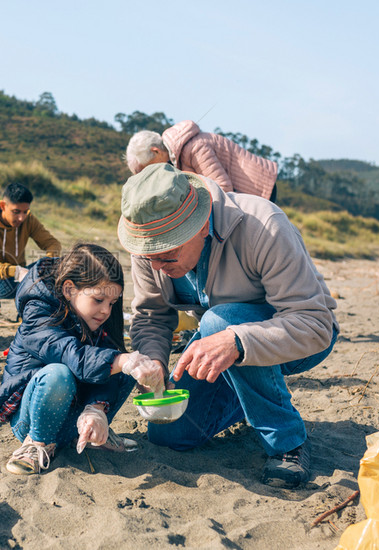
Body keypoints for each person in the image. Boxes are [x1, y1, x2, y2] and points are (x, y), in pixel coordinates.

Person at [118, 163, 338, 488]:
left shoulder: (263, 224)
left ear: (202, 226)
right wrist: (154, 360)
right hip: (220, 342)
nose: (157, 267)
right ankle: (247, 393)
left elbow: (315, 325)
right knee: (170, 434)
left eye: (167, 256)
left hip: (297, 340)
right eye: (147, 257)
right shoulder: (149, 247)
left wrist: (237, 341)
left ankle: (287, 443)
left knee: (221, 320)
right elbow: (152, 313)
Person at [0, 243, 165, 475]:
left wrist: (97, 409)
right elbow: (73, 355)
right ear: (70, 289)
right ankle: (36, 445)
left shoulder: (96, 318)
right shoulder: (38, 312)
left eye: (112, 303)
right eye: (98, 300)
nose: (106, 311)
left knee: (126, 362)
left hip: (74, 421)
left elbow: (107, 357)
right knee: (59, 373)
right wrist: (120, 361)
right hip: (33, 419)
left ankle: (93, 434)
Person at [0, 182, 61, 322]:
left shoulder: (28, 219)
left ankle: (25, 311)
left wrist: (49, 261)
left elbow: (52, 243)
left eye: (25, 212)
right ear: (3, 206)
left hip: (19, 276)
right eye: (16, 212)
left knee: (50, 269)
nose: (21, 217)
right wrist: (18, 272)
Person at [125, 120, 279, 201]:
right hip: (244, 192)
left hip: (258, 188)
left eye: (148, 168)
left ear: (156, 151)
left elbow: (222, 188)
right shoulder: (177, 154)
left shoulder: (195, 148)